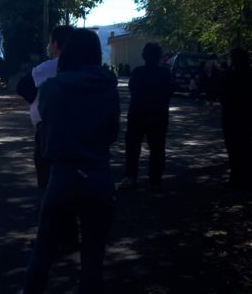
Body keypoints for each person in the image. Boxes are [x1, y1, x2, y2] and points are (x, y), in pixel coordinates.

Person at [24, 28, 119, 294]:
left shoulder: (53, 87)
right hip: (99, 173)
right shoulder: (108, 85)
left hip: (62, 174)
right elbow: (112, 132)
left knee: (43, 252)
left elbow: (45, 129)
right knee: (93, 255)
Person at [119, 42, 172, 189]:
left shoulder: (137, 72)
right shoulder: (165, 73)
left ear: (144, 56)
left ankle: (131, 175)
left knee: (133, 147)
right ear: (159, 56)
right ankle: (155, 177)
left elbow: (132, 90)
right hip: (159, 115)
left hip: (137, 114)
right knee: (157, 147)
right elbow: (169, 93)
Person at [30, 25, 74, 188]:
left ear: (55, 44)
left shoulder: (47, 68)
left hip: (49, 129)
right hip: (82, 131)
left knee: (47, 177)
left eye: (50, 42)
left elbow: (27, 86)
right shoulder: (91, 71)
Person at [218, 48, 252, 188]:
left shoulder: (229, 75)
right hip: (247, 116)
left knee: (233, 148)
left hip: (231, 116)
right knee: (245, 146)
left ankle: (236, 177)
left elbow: (221, 94)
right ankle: (245, 177)